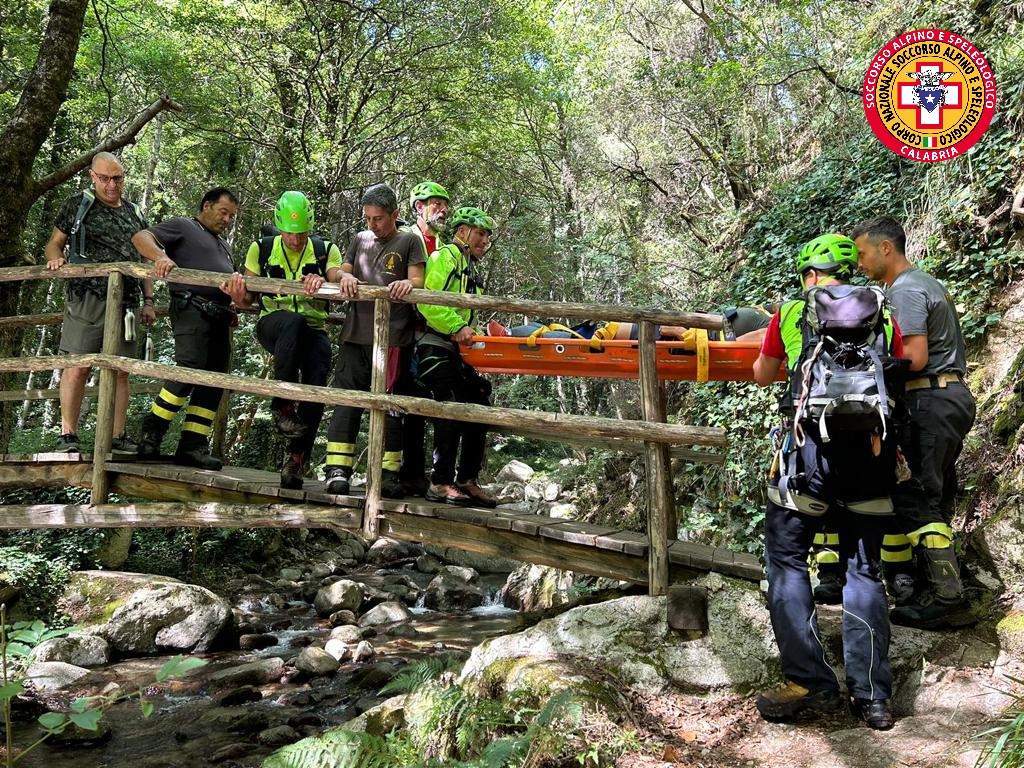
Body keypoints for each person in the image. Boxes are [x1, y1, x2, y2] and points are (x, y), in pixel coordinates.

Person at [752, 234, 902, 730]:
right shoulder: (881, 309)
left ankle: (811, 683)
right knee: (864, 572)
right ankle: (873, 696)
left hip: (808, 459)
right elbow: (898, 365)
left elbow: (763, 371)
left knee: (788, 562)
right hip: (871, 456)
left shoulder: (793, 313)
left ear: (808, 274)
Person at [852, 216, 977, 630]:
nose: (859, 263)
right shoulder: (925, 282)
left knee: (916, 496)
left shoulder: (904, 291)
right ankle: (935, 587)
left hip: (929, 396)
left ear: (886, 248)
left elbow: (916, 358)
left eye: (863, 253)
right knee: (933, 496)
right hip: (948, 397)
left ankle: (949, 599)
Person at [222, 191, 341, 489]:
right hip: (273, 326)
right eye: (289, 233)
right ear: (279, 227)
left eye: (301, 234)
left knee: (316, 380)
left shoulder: (325, 249)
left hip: (313, 330)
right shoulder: (261, 249)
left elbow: (338, 278)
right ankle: (282, 406)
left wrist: (326, 282)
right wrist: (239, 294)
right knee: (293, 320)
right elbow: (249, 296)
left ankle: (296, 459)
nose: (295, 240)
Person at [44, 151, 156, 453]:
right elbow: (54, 244)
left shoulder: (134, 211)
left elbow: (145, 258)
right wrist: (56, 260)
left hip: (128, 302)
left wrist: (149, 299)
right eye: (104, 178)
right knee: (78, 365)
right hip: (87, 297)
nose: (111, 185)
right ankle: (68, 434)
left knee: (121, 369)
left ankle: (116, 436)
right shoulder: (79, 205)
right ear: (93, 177)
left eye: (116, 178)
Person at [323, 184, 426, 496]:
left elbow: (419, 279)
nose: (372, 224)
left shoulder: (410, 240)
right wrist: (346, 277)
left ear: (394, 214)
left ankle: (387, 473)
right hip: (356, 334)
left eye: (378, 218)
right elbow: (337, 272)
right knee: (347, 400)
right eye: (367, 218)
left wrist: (407, 285)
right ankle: (337, 470)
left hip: (394, 338)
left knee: (390, 405)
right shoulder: (360, 239)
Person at [133, 187, 239, 470]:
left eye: (231, 216)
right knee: (188, 369)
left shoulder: (224, 246)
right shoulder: (183, 226)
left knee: (215, 379)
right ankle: (151, 432)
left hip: (220, 316)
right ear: (206, 206)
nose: (227, 219)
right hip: (191, 307)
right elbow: (141, 237)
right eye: (223, 212)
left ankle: (192, 445)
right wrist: (160, 257)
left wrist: (234, 302)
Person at [415, 206, 498, 508]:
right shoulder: (444, 257)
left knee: (479, 401)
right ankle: (439, 482)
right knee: (452, 403)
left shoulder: (468, 266)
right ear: (462, 231)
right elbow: (428, 301)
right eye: (479, 233)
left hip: (458, 352)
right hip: (432, 347)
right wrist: (457, 326)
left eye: (487, 236)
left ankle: (466, 479)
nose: (484, 240)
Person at [399, 181, 452, 495]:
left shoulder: (442, 247)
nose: (442, 209)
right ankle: (409, 474)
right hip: (405, 332)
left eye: (445, 205)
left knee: (425, 402)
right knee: (408, 405)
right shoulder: (408, 238)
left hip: (431, 333)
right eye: (435, 203)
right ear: (419, 206)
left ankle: (422, 475)